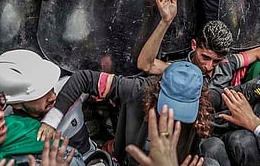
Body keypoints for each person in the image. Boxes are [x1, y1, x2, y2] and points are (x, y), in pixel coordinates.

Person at [37, 62, 216, 166]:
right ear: (157, 91)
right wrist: (53, 119)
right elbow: (85, 78)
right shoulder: (137, 89)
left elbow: (242, 92)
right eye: (169, 107)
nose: (172, 117)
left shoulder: (207, 104)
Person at [136, 0, 260, 87]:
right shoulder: (180, 69)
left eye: (216, 61)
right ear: (194, 45)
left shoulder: (226, 63)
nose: (209, 66)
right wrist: (166, 21)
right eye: (205, 57)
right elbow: (146, 65)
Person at [0, 50, 97, 160]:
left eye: (51, 88)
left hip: (93, 156)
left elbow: (85, 80)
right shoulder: (10, 129)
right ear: (16, 104)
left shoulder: (67, 90)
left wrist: (54, 117)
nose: (53, 97)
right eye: (42, 94)